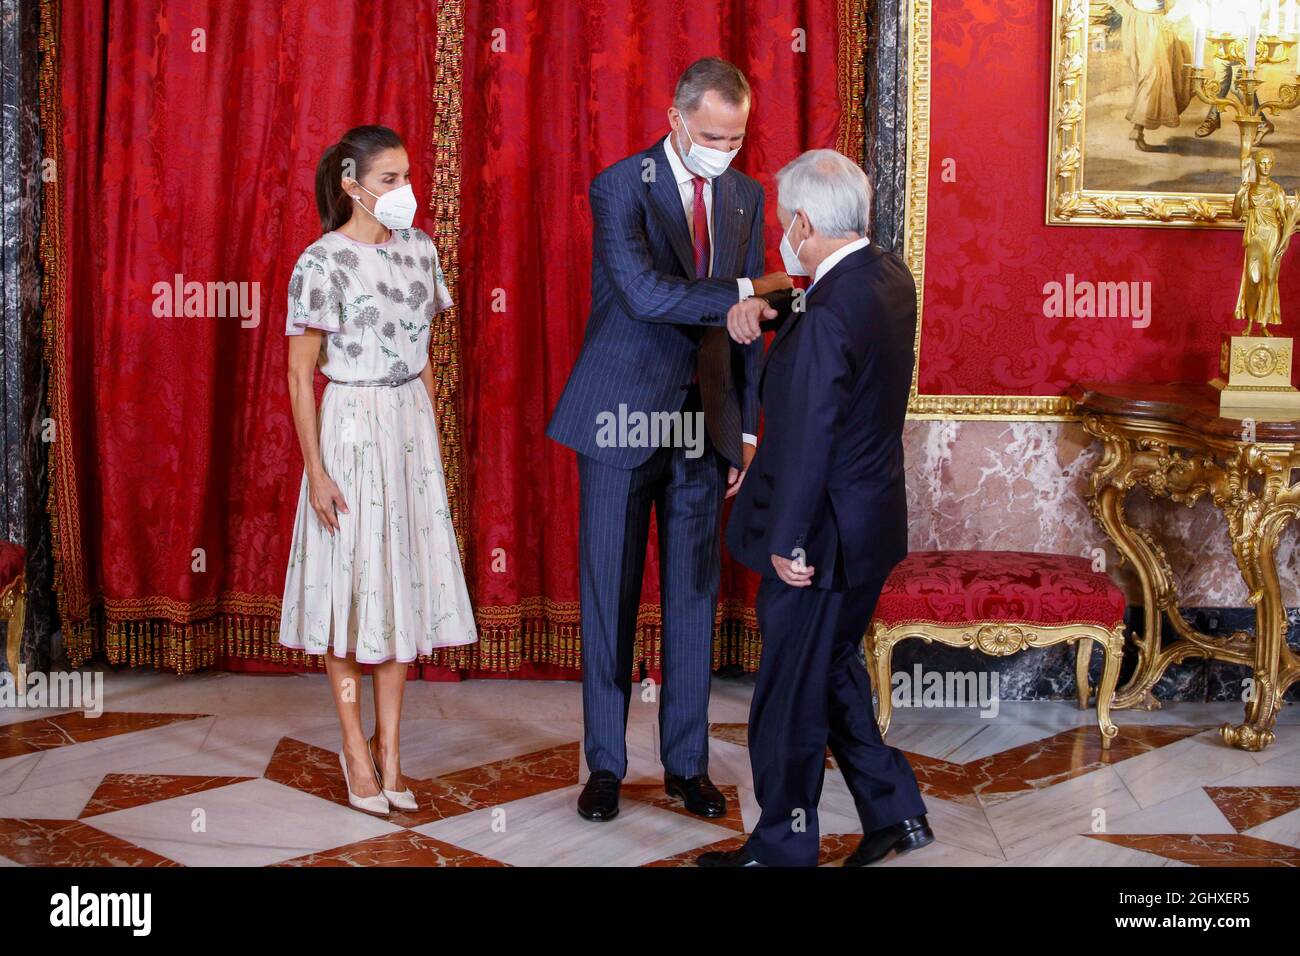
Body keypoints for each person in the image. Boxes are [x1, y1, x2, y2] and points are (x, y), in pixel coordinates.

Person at [546, 57, 792, 822]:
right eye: (713, 134)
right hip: (620, 414)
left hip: (703, 421)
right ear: (676, 119)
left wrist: (746, 430)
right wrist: (755, 288)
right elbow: (648, 295)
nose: (726, 147)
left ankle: (687, 767)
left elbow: (748, 335)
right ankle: (607, 768)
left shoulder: (748, 196)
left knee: (692, 598)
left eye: (738, 136)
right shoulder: (621, 185)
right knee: (609, 598)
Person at [698, 149, 931, 867]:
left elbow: (804, 442)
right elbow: (826, 305)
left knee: (788, 699)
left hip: (818, 540)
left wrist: (787, 543)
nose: (782, 233)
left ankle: (781, 848)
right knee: (830, 671)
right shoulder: (887, 276)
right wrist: (769, 307)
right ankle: (896, 814)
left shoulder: (832, 314)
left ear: (802, 220)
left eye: (784, 221)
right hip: (868, 525)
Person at [279, 125, 477, 817]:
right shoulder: (320, 261)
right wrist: (318, 471)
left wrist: (433, 448)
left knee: (402, 591)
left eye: (406, 176)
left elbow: (423, 351)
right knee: (352, 591)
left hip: (408, 428)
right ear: (350, 182)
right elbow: (301, 377)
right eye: (390, 179)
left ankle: (392, 751)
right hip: (351, 427)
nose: (405, 192)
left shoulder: (421, 251)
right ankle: (353, 752)